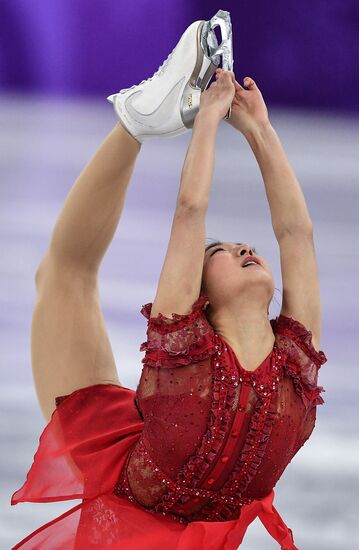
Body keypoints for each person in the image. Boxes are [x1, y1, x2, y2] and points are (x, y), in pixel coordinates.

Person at [11, 11, 327, 550]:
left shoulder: (295, 360)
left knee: (66, 274)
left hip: (156, 529)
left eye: (238, 247)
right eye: (224, 251)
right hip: (122, 474)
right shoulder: (182, 348)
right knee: (65, 274)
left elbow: (295, 232)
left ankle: (138, 119)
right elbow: (190, 210)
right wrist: (204, 121)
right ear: (198, 300)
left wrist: (258, 130)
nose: (246, 248)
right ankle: (136, 120)